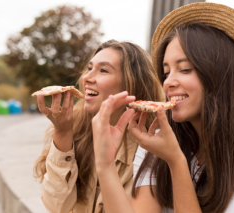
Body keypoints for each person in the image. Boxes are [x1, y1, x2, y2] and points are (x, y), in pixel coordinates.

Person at [91, 2, 234, 213]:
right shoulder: (155, 143)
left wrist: (176, 162)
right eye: (166, 73)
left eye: (184, 69)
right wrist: (105, 163)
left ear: (219, 77)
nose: (168, 83)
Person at [33, 39, 164, 213]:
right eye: (89, 68)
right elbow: (57, 206)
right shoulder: (75, 127)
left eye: (103, 70)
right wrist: (63, 133)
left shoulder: (151, 148)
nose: (86, 77)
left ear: (131, 84)